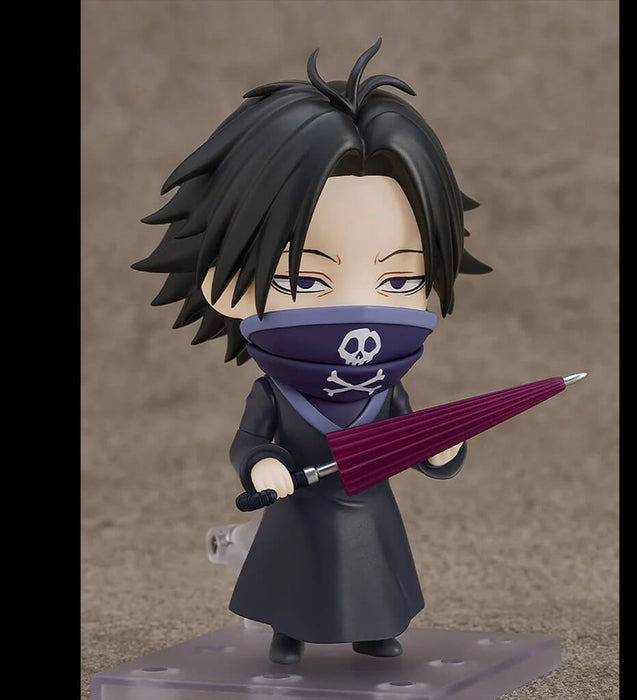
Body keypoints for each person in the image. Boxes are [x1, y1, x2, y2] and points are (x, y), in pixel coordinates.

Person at [133, 38, 491, 664]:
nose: (358, 314)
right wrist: (263, 465)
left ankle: (376, 625)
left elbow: (409, 436)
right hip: (298, 512)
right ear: (229, 285)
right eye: (304, 279)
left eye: (399, 280)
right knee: (293, 582)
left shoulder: (387, 388)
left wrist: (439, 447)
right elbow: (249, 440)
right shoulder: (274, 391)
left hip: (370, 512)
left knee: (375, 579)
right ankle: (288, 631)